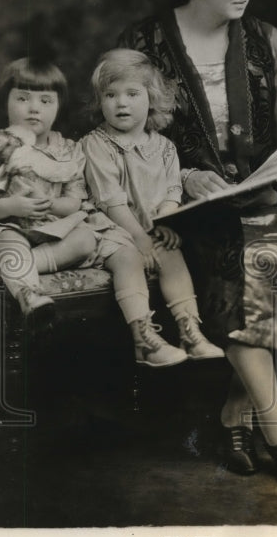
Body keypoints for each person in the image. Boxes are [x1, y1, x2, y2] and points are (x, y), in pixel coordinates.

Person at [117, 0, 277, 487]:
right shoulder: (143, 43)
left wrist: (274, 170)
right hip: (174, 205)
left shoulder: (267, 41)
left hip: (254, 193)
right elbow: (122, 133)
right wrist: (184, 173)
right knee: (235, 257)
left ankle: (236, 413)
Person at [0, 59, 174, 370]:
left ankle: (144, 336)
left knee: (89, 239)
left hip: (55, 226)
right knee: (7, 240)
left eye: (45, 101)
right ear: (5, 101)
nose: (34, 109)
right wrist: (10, 206)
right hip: (8, 223)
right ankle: (30, 295)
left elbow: (74, 201)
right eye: (22, 98)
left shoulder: (68, 150)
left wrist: (51, 204)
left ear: (59, 105)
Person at [82, 48, 227, 362]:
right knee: (130, 259)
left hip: (147, 228)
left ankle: (190, 331)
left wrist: (164, 223)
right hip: (111, 229)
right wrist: (139, 236)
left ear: (152, 99)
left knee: (171, 253)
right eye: (110, 94)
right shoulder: (96, 144)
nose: (121, 103)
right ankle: (143, 338)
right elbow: (111, 203)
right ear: (100, 101)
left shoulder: (164, 147)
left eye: (132, 93)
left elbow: (172, 192)